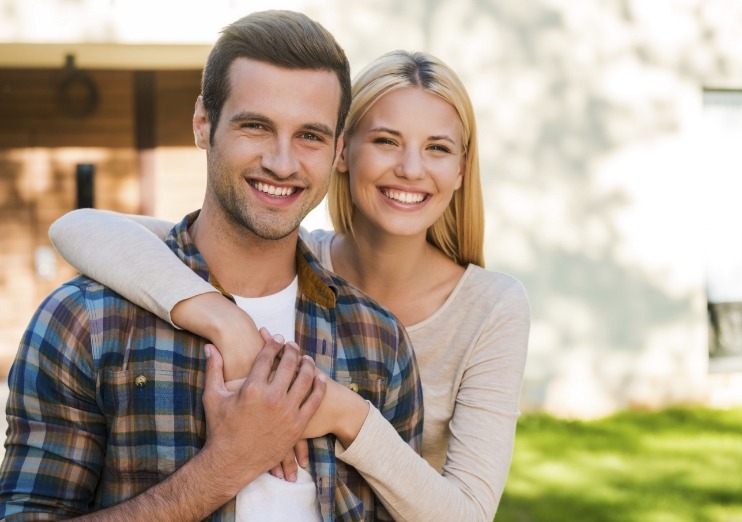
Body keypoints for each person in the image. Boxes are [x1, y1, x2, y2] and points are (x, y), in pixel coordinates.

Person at [49, 50, 530, 521]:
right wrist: (228, 324)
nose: (410, 168)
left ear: (462, 168)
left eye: (438, 148)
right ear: (344, 153)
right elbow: (81, 228)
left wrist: (345, 413)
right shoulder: (296, 259)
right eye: (385, 141)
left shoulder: (492, 306)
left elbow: (468, 514)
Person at [0, 11, 424, 522]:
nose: (283, 163)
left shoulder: (377, 340)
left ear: (337, 150)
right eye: (255, 126)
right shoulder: (86, 321)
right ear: (204, 123)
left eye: (310, 136)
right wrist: (224, 467)